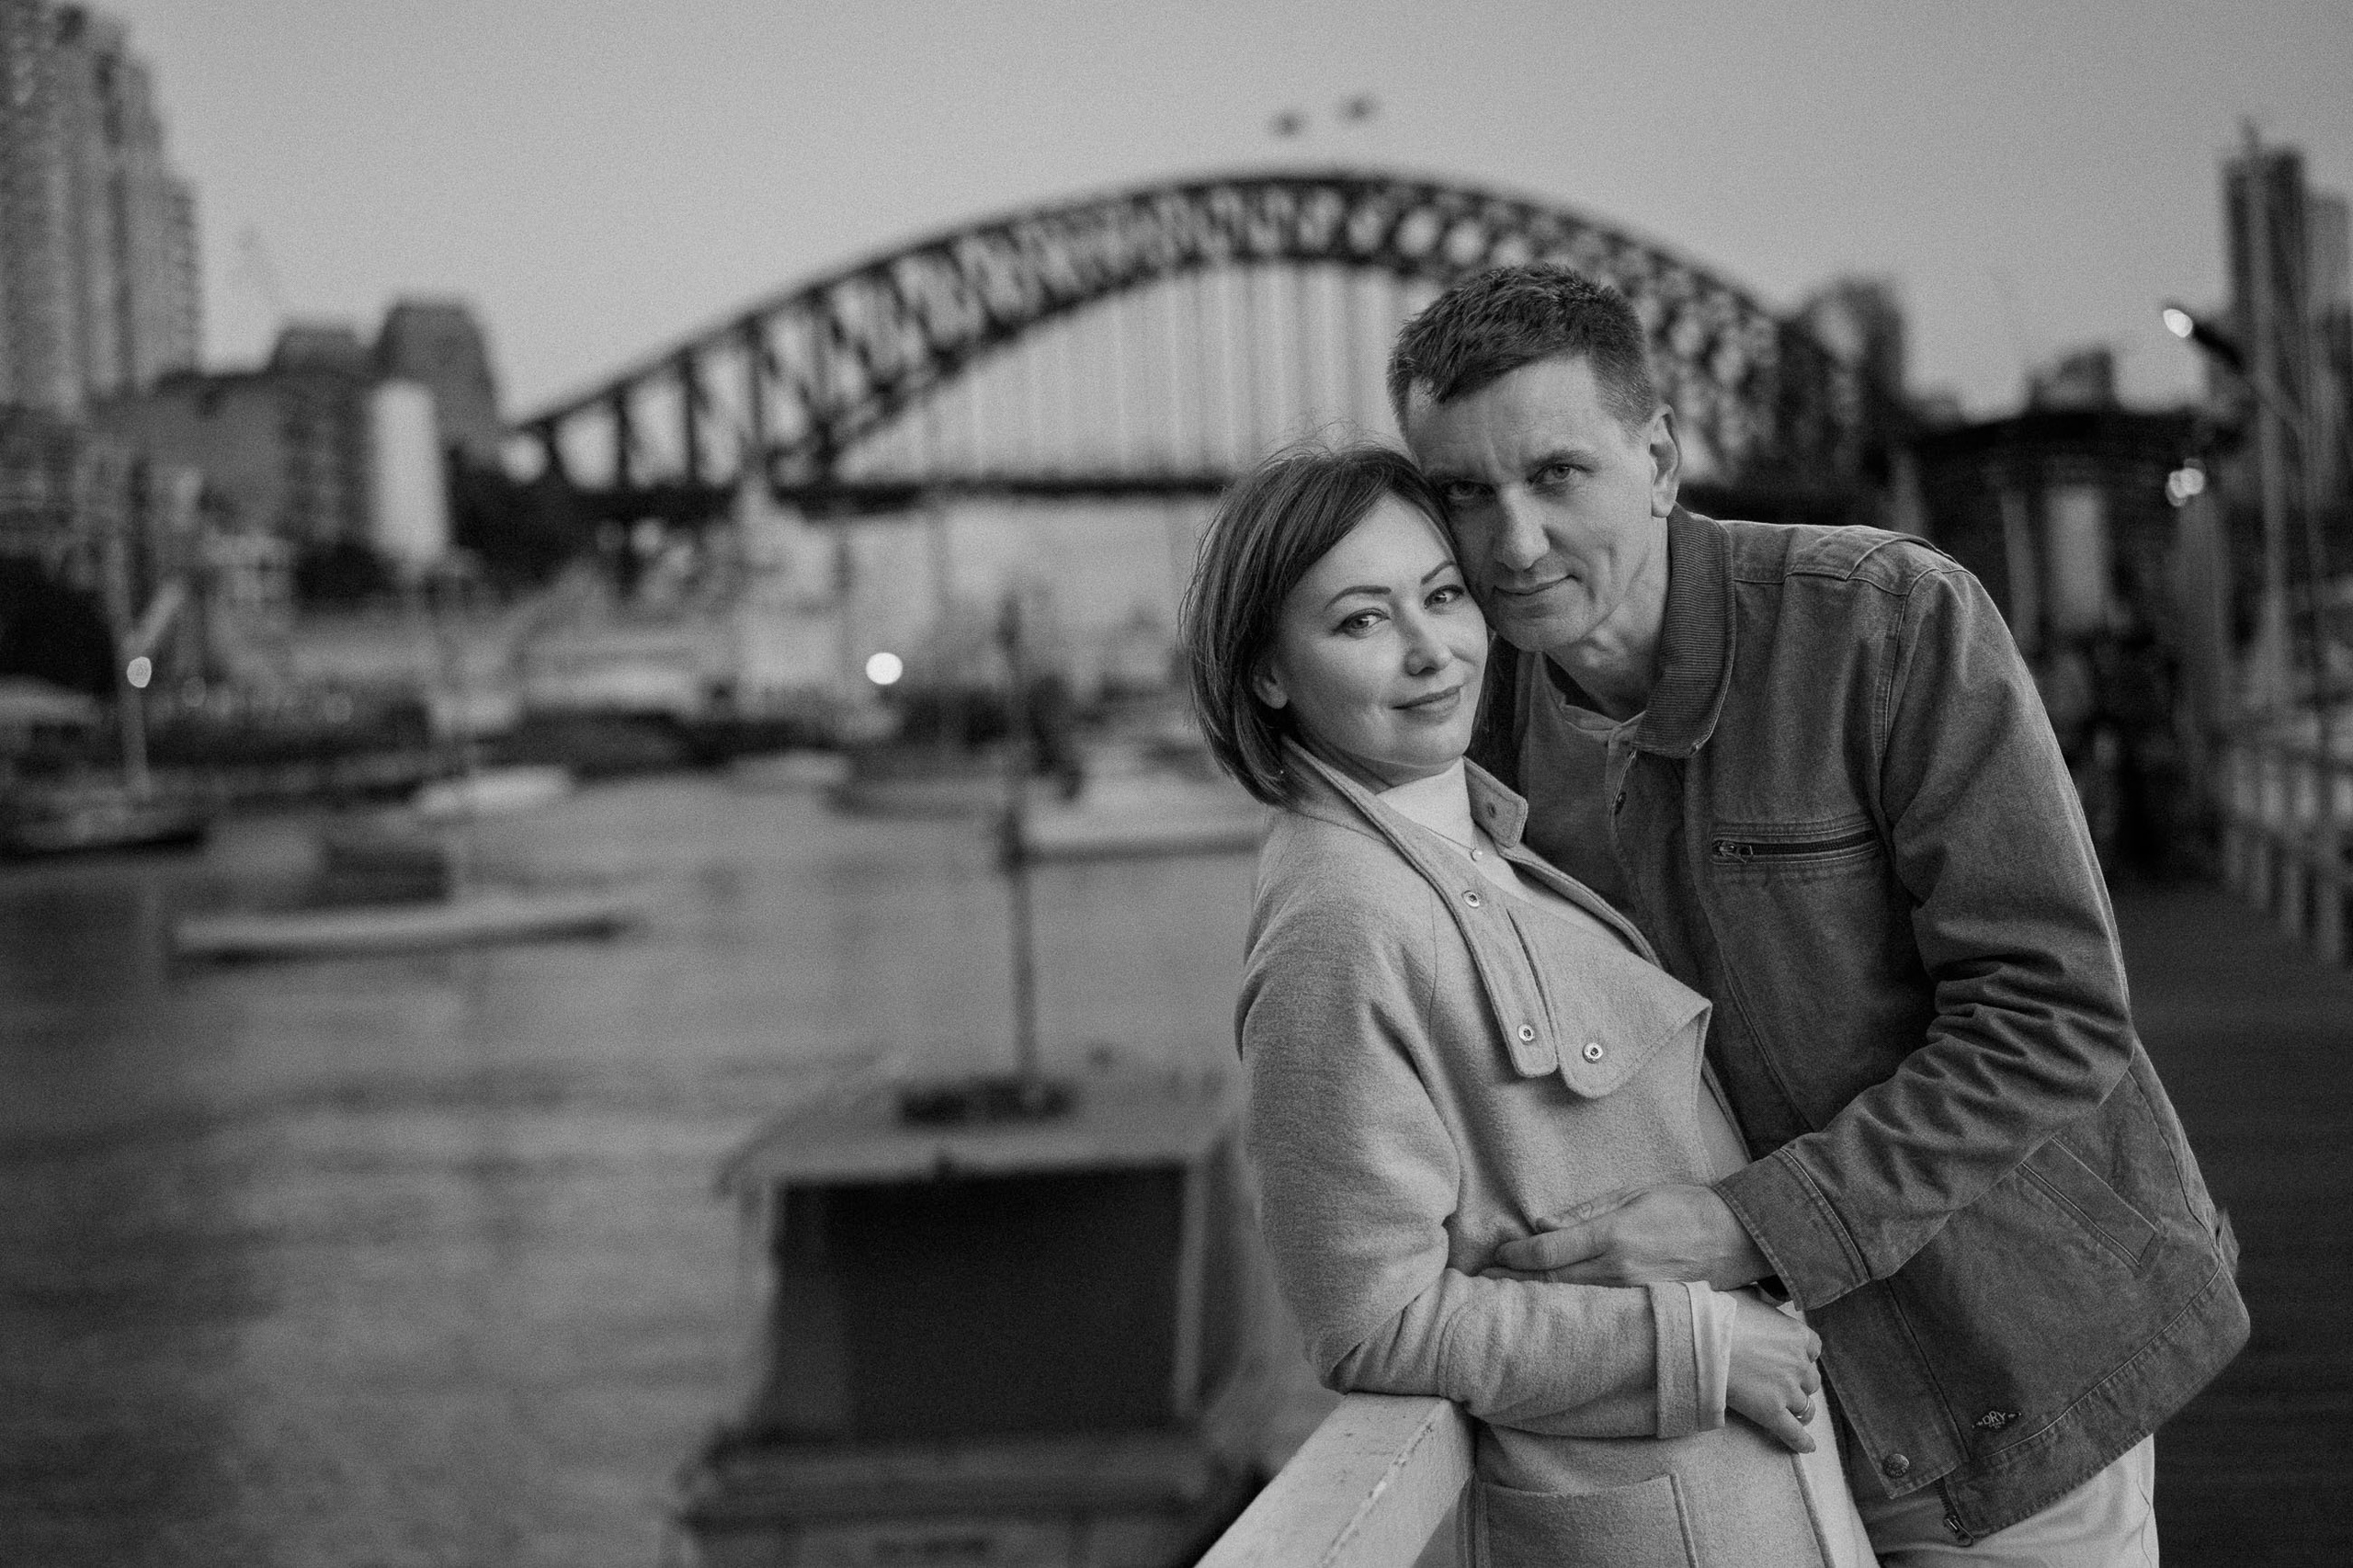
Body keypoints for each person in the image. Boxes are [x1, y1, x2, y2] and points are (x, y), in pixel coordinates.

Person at [1387, 263, 2247, 1564]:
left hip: (1992, 1367)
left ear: (1662, 459)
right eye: (1462, 492)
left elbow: (2052, 1013)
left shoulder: (1885, 624)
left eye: (1557, 473)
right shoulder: (1474, 732)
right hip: (1722, 1415)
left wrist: (1747, 1223)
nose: (1510, 542)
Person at [1183, 442, 1880, 1566]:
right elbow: (1373, 1318)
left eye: (1442, 596)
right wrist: (1691, 1345)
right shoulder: (1339, 923)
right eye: (1360, 621)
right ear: (1268, 671)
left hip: (1742, 1494)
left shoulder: (1472, 844)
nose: (1430, 651)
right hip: (1657, 1523)